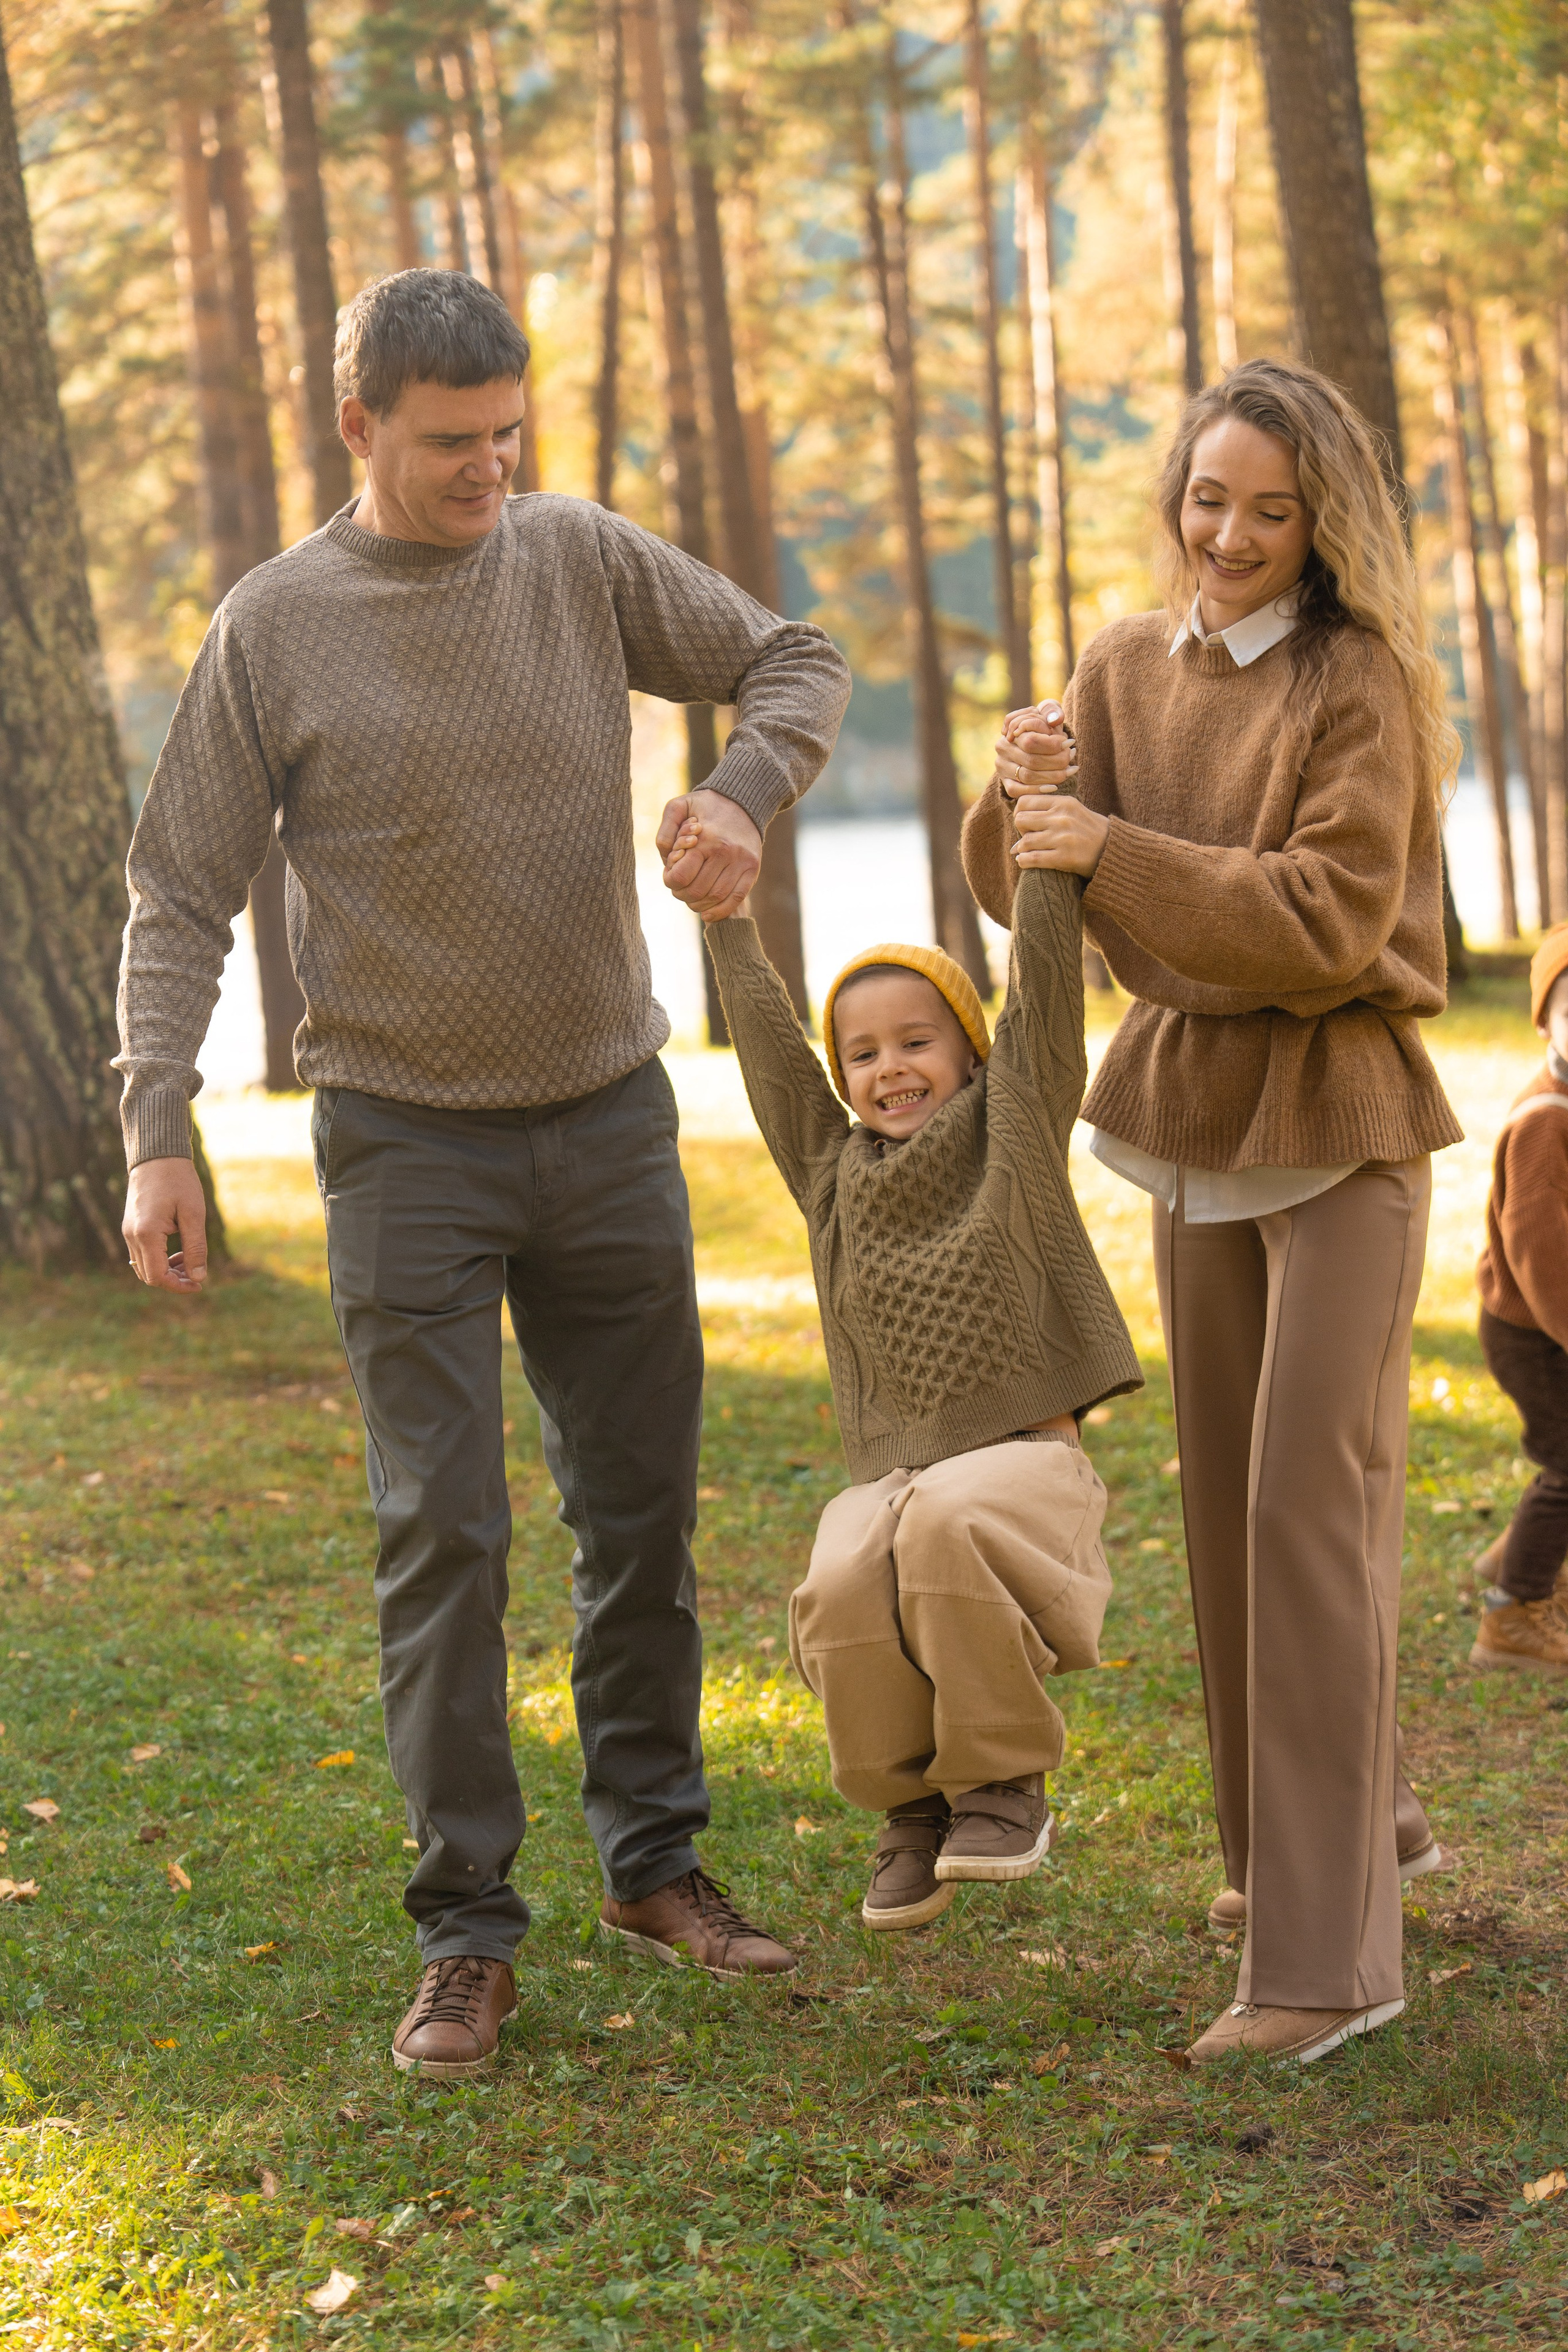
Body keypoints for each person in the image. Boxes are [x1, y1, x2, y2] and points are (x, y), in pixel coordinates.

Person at [117, 268, 851, 2076]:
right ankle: (464, 1929)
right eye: (452, 441)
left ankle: (655, 1859)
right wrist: (156, 1128)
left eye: (508, 431)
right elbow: (178, 890)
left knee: (641, 1517)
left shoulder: (578, 556)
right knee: (442, 1535)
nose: (489, 468)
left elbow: (794, 655)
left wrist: (743, 792)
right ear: (358, 423)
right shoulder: (275, 626)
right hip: (401, 1145)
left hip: (604, 1116)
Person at [963, 358, 1463, 2066]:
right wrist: (1013, 786)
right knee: (1232, 1520)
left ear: (1322, 522)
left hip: (1340, 1129)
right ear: (1175, 491)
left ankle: (1335, 1970)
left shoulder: (1360, 683)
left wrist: (1106, 844)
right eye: (1208, 497)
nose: (1231, 534)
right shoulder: (1124, 661)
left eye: (1269, 508)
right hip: (1194, 1129)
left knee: (1312, 1524)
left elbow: (1327, 921)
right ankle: (1320, 1843)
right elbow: (1030, 876)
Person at [671, 790, 1142, 1930]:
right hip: (900, 1476)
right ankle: (911, 1811)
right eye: (865, 1052)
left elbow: (1040, 980)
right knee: (837, 1578)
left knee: (939, 1532)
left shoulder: (1014, 1120)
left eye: (917, 1042)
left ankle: (1001, 1782)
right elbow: (775, 1057)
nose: (890, 1067)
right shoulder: (831, 1173)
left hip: (1026, 1463)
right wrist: (727, 922)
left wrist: (1037, 831)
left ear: (970, 1051)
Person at [1472, 925, 1568, 1673]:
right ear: (1544, 1020)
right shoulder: (1544, 1122)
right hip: (1537, 1327)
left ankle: (1517, 1550)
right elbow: (1540, 1255)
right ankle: (1513, 1618)